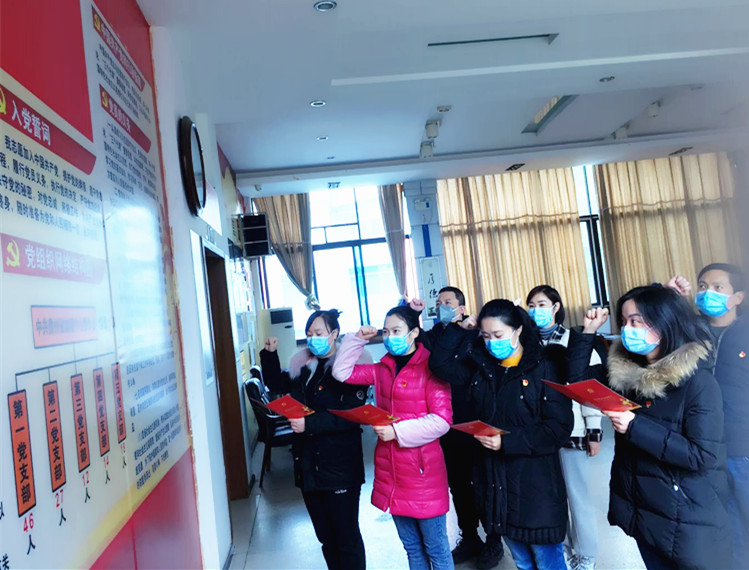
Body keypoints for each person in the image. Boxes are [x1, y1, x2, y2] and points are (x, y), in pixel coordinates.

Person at [572, 285, 731, 569]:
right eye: (624, 322)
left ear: (664, 322)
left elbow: (702, 456)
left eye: (636, 321)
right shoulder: (626, 374)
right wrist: (588, 332)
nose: (627, 329)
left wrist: (634, 427)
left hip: (683, 513)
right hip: (643, 508)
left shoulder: (698, 383)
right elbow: (578, 381)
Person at [430, 299, 573, 570]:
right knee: (522, 562)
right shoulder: (482, 369)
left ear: (518, 330)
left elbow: (558, 428)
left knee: (547, 562)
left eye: (498, 335)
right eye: (485, 336)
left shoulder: (543, 367)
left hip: (536, 487)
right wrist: (460, 329)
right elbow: (440, 365)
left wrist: (506, 441)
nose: (491, 343)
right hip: (496, 485)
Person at [332, 305, 454, 570]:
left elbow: (442, 421)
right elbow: (341, 373)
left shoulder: (432, 367)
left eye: (397, 331)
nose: (389, 337)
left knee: (436, 548)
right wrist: (357, 339)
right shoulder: (382, 368)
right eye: (386, 332)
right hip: (392, 473)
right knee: (412, 549)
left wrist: (397, 431)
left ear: (414, 333)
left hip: (423, 474)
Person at [260, 309, 370, 570]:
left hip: (340, 466)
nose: (313, 339)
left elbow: (352, 416)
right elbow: (277, 383)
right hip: (309, 465)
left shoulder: (350, 368)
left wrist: (309, 424)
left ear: (334, 334)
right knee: (326, 538)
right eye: (309, 334)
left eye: (319, 333)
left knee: (346, 537)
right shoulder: (304, 365)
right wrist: (270, 354)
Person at [414, 287, 502, 568]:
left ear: (461, 308)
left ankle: (494, 540)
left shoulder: (475, 334)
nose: (441, 306)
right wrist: (413, 314)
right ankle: (470, 537)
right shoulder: (432, 336)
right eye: (438, 302)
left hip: (474, 417)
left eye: (448, 302)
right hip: (445, 422)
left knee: (483, 482)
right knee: (458, 484)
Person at [527, 285, 605, 570]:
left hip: (573, 431)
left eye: (541, 304)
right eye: (531, 305)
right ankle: (565, 550)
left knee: (577, 496)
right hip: (539, 433)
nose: (536, 310)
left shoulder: (576, 340)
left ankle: (587, 555)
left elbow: (589, 390)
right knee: (551, 498)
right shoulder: (526, 343)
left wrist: (594, 432)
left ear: (556, 307)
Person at [693, 263, 747, 569]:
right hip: (705, 448)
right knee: (725, 528)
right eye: (702, 286)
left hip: (742, 447)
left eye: (717, 287)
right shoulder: (691, 335)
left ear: (738, 297)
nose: (707, 293)